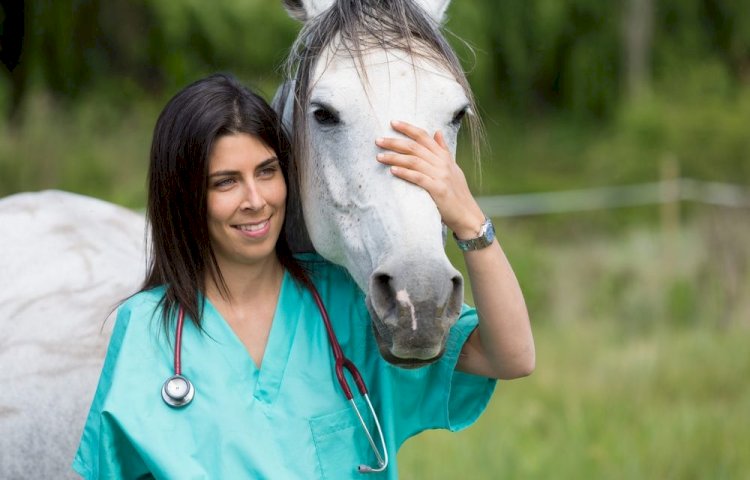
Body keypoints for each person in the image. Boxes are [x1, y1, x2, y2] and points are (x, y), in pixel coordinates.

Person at [72, 73, 534, 479]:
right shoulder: (146, 330)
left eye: (267, 171)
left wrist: (469, 220)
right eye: (225, 181)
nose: (255, 199)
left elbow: (510, 356)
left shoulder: (348, 305)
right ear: (184, 195)